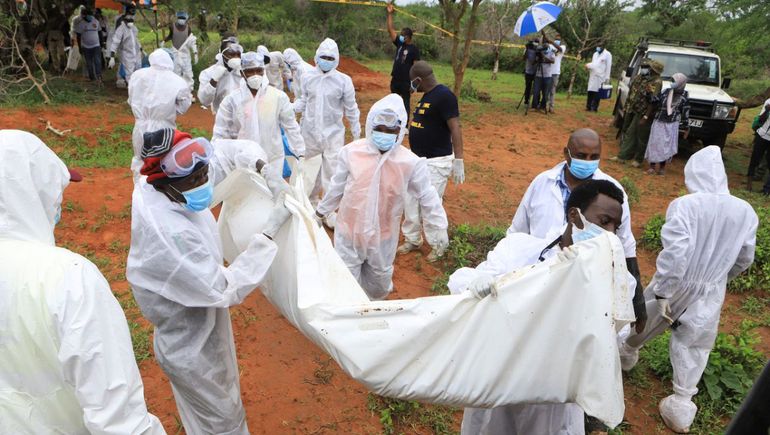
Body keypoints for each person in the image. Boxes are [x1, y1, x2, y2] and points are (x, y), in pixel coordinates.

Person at [127, 128, 292, 435]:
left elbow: (228, 151)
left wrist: (263, 168)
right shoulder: (170, 234)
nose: (204, 182)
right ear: (166, 184)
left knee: (202, 417)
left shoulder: (165, 185)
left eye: (205, 173)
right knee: (223, 420)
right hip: (191, 344)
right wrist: (269, 234)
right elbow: (223, 288)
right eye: (195, 180)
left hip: (199, 321)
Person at [0, 129, 165, 434]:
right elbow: (119, 420)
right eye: (56, 190)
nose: (60, 201)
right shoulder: (67, 277)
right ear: (33, 191)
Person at [448, 179, 629, 435]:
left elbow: (615, 336)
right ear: (574, 215)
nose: (610, 233)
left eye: (615, 226)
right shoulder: (520, 249)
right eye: (604, 221)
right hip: (500, 375)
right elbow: (462, 280)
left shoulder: (615, 278)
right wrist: (476, 284)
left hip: (553, 394)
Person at [619, 146, 757, 434]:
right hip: (712, 286)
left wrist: (665, 291)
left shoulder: (686, 205)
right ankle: (681, 404)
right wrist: (719, 278)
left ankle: (623, 357)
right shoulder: (745, 211)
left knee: (643, 321)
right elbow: (745, 258)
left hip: (678, 280)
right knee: (696, 340)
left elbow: (677, 251)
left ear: (693, 173)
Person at [508, 128, 646, 332]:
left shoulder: (612, 193)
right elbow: (517, 232)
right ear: (567, 153)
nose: (588, 161)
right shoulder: (542, 183)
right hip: (538, 279)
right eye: (581, 156)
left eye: (594, 157)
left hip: (587, 284)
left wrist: (637, 301)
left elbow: (625, 245)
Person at [315, 94, 448, 300]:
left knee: (378, 285)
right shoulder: (351, 153)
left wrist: (439, 226)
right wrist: (321, 211)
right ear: (370, 127)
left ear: (400, 130)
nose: (384, 134)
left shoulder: (409, 162)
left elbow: (427, 195)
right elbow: (337, 187)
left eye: (391, 130)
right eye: (380, 129)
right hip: (350, 232)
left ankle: (373, 312)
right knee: (345, 283)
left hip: (383, 236)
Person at [398, 60, 464, 262]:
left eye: (412, 82)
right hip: (418, 160)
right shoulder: (428, 96)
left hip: (436, 161)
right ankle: (413, 239)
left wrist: (459, 159)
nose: (411, 85)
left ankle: (438, 244)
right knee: (410, 201)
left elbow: (455, 127)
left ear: (418, 79)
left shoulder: (444, 96)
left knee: (430, 204)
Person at [294, 38, 361, 217]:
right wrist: (290, 110)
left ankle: (329, 211)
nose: (326, 61)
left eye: (331, 58)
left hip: (333, 135)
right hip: (309, 132)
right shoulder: (307, 77)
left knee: (332, 174)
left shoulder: (343, 81)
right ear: (317, 57)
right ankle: (310, 203)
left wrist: (356, 133)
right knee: (308, 171)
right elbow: (303, 99)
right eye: (324, 57)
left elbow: (351, 108)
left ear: (337, 59)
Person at [213, 51, 305, 175]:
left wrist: (300, 152)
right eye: (250, 71)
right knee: (247, 193)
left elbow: (291, 127)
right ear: (242, 73)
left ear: (264, 71)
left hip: (272, 159)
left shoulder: (278, 97)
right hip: (243, 160)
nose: (255, 75)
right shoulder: (232, 101)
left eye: (259, 71)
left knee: (272, 192)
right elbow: (220, 132)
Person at [128, 49, 192, 177]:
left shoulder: (137, 75)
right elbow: (183, 108)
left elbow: (132, 99)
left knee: (140, 161)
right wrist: (167, 111)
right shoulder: (178, 81)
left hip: (140, 126)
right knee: (163, 163)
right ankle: (158, 192)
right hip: (164, 129)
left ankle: (140, 191)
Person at [613, 58, 664, 167]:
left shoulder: (657, 82)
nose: (647, 69)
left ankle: (638, 159)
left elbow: (652, 101)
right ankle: (623, 156)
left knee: (642, 137)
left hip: (646, 113)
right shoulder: (644, 78)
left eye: (649, 67)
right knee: (630, 133)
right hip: (637, 110)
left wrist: (645, 116)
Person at [645, 73, 690, 175]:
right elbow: (655, 101)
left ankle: (662, 168)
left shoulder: (684, 96)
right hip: (659, 121)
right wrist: (648, 94)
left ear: (681, 83)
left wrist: (686, 127)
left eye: (675, 81)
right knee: (655, 143)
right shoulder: (666, 92)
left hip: (671, 124)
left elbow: (685, 112)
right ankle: (652, 166)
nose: (672, 83)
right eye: (672, 81)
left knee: (666, 145)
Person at [386, 2, 420, 117]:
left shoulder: (414, 49)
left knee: (405, 104)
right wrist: (390, 14)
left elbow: (416, 68)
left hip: (406, 82)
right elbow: (390, 29)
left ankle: (405, 127)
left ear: (409, 37)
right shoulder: (400, 44)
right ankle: (394, 122)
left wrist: (414, 84)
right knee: (393, 103)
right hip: (395, 80)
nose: (401, 36)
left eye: (403, 35)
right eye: (401, 34)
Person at [198, 36, 243, 114]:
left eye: (238, 54)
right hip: (222, 117)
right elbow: (204, 101)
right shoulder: (209, 73)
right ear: (221, 54)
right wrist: (214, 81)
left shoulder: (245, 71)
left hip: (244, 116)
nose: (235, 57)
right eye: (231, 54)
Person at [164, 11, 198, 94]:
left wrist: (195, 53)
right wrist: (164, 41)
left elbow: (192, 41)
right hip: (175, 53)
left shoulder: (188, 28)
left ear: (186, 19)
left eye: (183, 18)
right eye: (180, 18)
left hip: (185, 55)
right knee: (175, 73)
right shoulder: (172, 27)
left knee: (188, 74)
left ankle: (188, 92)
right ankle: (175, 92)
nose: (181, 20)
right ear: (177, 18)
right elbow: (171, 36)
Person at [108, 8, 141, 88]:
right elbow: (115, 43)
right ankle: (132, 91)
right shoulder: (121, 29)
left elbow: (135, 39)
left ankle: (138, 89)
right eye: (129, 20)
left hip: (136, 53)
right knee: (129, 74)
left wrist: (140, 48)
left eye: (132, 20)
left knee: (138, 71)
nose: (131, 22)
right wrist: (112, 57)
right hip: (127, 55)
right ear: (125, 20)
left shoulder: (133, 28)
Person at [746, 98, 770, 193]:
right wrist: (767, 110)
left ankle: (767, 190)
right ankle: (749, 184)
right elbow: (760, 119)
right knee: (755, 159)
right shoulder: (769, 101)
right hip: (762, 135)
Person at [75, 7, 102, 82]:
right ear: (84, 16)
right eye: (88, 15)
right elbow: (78, 36)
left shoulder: (95, 21)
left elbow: (100, 32)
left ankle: (99, 76)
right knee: (89, 63)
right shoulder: (81, 24)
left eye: (91, 15)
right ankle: (92, 77)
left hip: (96, 45)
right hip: (86, 47)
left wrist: (102, 43)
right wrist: (80, 47)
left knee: (97, 61)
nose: (90, 16)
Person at [543, 32, 566, 113]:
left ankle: (551, 107)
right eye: (556, 39)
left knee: (552, 91)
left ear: (561, 41)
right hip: (548, 71)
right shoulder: (550, 46)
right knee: (546, 90)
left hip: (556, 72)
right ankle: (544, 105)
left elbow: (559, 49)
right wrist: (544, 37)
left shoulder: (562, 47)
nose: (557, 40)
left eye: (558, 40)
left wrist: (552, 42)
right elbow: (544, 47)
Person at [585, 45, 612, 112]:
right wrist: (588, 66)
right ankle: (588, 107)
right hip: (593, 75)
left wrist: (607, 78)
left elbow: (608, 67)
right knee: (590, 91)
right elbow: (594, 64)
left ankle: (594, 108)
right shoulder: (595, 54)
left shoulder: (607, 54)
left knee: (597, 93)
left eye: (600, 46)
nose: (598, 47)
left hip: (601, 76)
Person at [531, 42, 556, 114]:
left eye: (546, 46)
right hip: (538, 75)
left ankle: (542, 107)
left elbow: (553, 61)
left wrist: (544, 57)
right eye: (543, 45)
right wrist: (538, 57)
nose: (544, 47)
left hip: (547, 75)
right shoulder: (539, 52)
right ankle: (534, 106)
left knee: (545, 93)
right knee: (535, 91)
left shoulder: (551, 52)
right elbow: (534, 61)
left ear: (548, 47)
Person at [522, 41, 538, 110]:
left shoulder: (538, 51)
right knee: (528, 87)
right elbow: (524, 58)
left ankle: (535, 102)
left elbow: (538, 60)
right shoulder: (527, 50)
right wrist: (527, 49)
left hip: (536, 72)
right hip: (528, 71)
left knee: (536, 88)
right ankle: (526, 100)